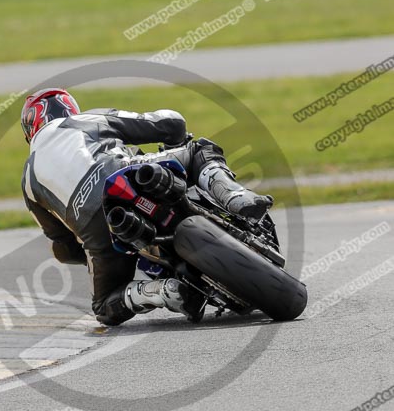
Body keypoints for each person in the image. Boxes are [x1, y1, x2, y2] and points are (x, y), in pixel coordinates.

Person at [21, 88, 272, 326]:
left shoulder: (28, 179)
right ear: (69, 107)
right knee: (199, 150)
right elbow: (170, 122)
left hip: (94, 225)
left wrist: (89, 252)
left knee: (104, 306)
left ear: (30, 128)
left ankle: (161, 292)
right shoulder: (85, 120)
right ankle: (235, 197)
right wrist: (176, 140)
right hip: (127, 172)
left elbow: (62, 246)